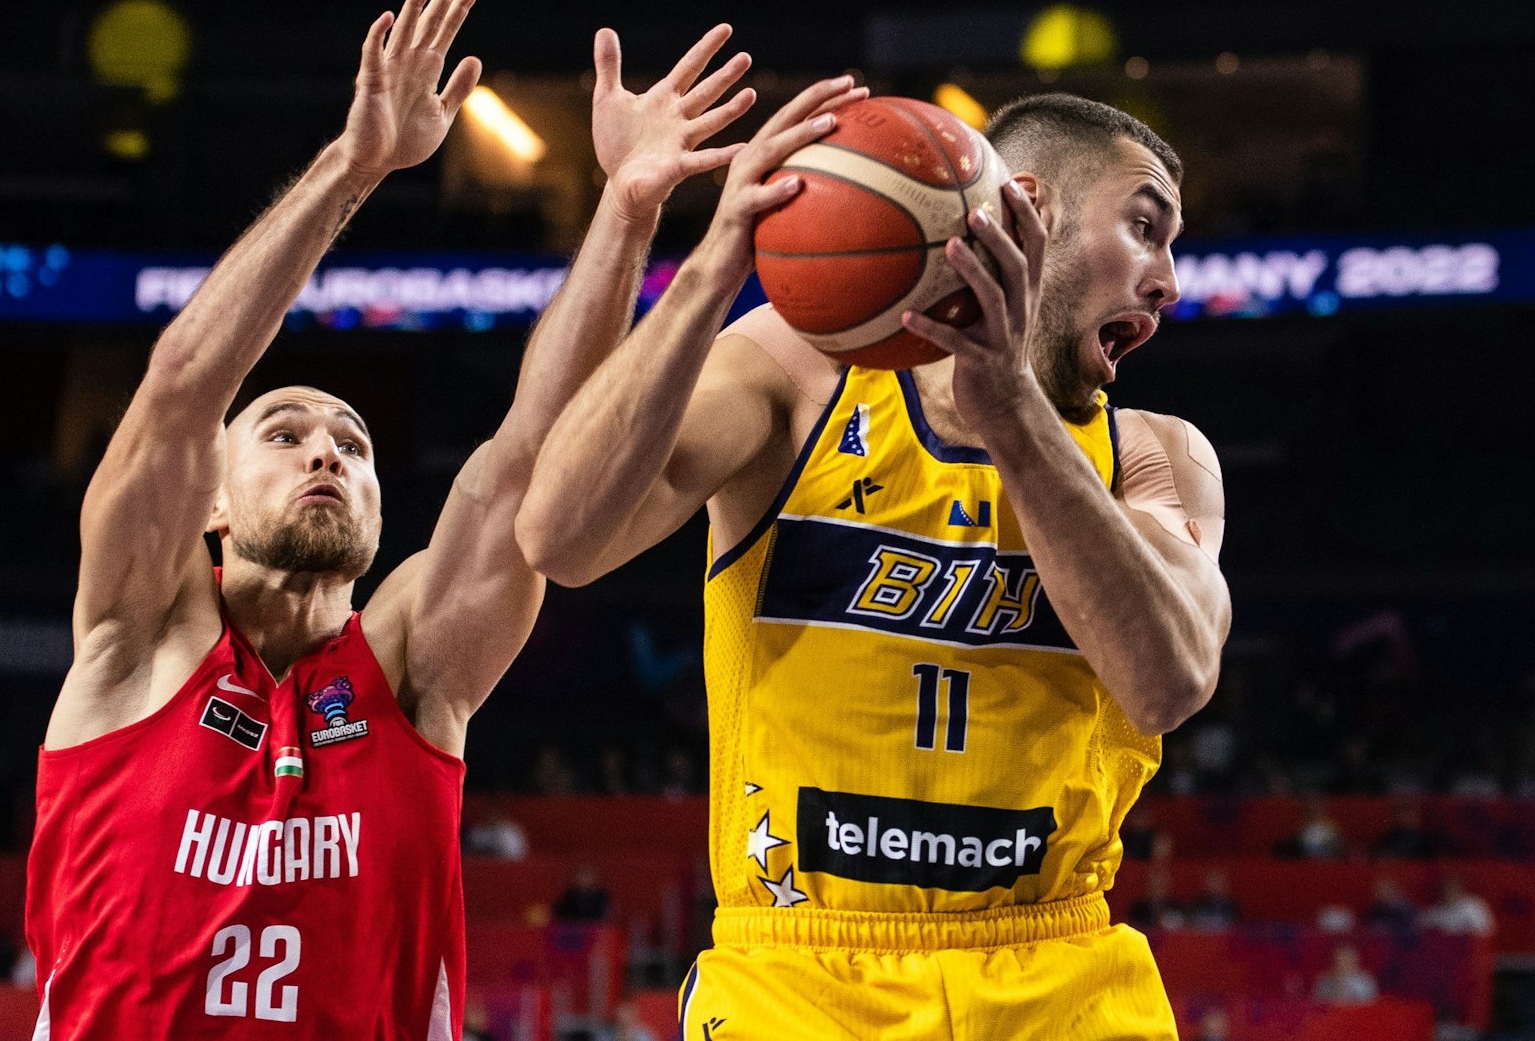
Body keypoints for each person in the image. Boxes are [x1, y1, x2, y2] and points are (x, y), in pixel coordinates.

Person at [23, 0, 763, 1037]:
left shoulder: (414, 669)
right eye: (283, 434)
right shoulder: (133, 642)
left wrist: (628, 205)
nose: (326, 451)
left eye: (353, 445)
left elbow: (526, 459)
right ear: (213, 502)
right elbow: (183, 383)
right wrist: (357, 164)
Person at [520, 92, 1229, 1038]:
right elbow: (560, 540)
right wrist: (715, 265)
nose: (1168, 281)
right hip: (797, 975)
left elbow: (1169, 681)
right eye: (1145, 229)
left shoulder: (1155, 453)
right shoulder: (796, 371)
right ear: (1025, 208)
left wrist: (1010, 410)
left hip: (1056, 976)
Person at [1420, 872, 1496, 937]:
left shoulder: (1474, 906)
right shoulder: (1435, 911)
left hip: (1466, 949)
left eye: (1451, 888)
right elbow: (1422, 928)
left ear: (1460, 888)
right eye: (1445, 888)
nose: (1447, 892)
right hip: (1441, 950)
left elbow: (1486, 931)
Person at [1311, 943, 1378, 1006]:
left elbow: (1368, 1005)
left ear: (1356, 960)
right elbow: (1316, 1005)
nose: (1343, 962)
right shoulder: (1324, 981)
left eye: (1347, 958)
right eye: (1340, 959)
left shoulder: (1366, 981)